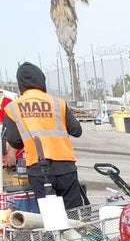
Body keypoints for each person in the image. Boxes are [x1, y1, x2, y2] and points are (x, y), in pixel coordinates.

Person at [2, 62, 84, 208]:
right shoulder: (58, 103)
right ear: (41, 80)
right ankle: (76, 231)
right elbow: (77, 131)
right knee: (74, 213)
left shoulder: (13, 108)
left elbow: (15, 141)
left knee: (51, 215)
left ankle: (56, 231)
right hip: (66, 167)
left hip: (39, 169)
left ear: (21, 84)